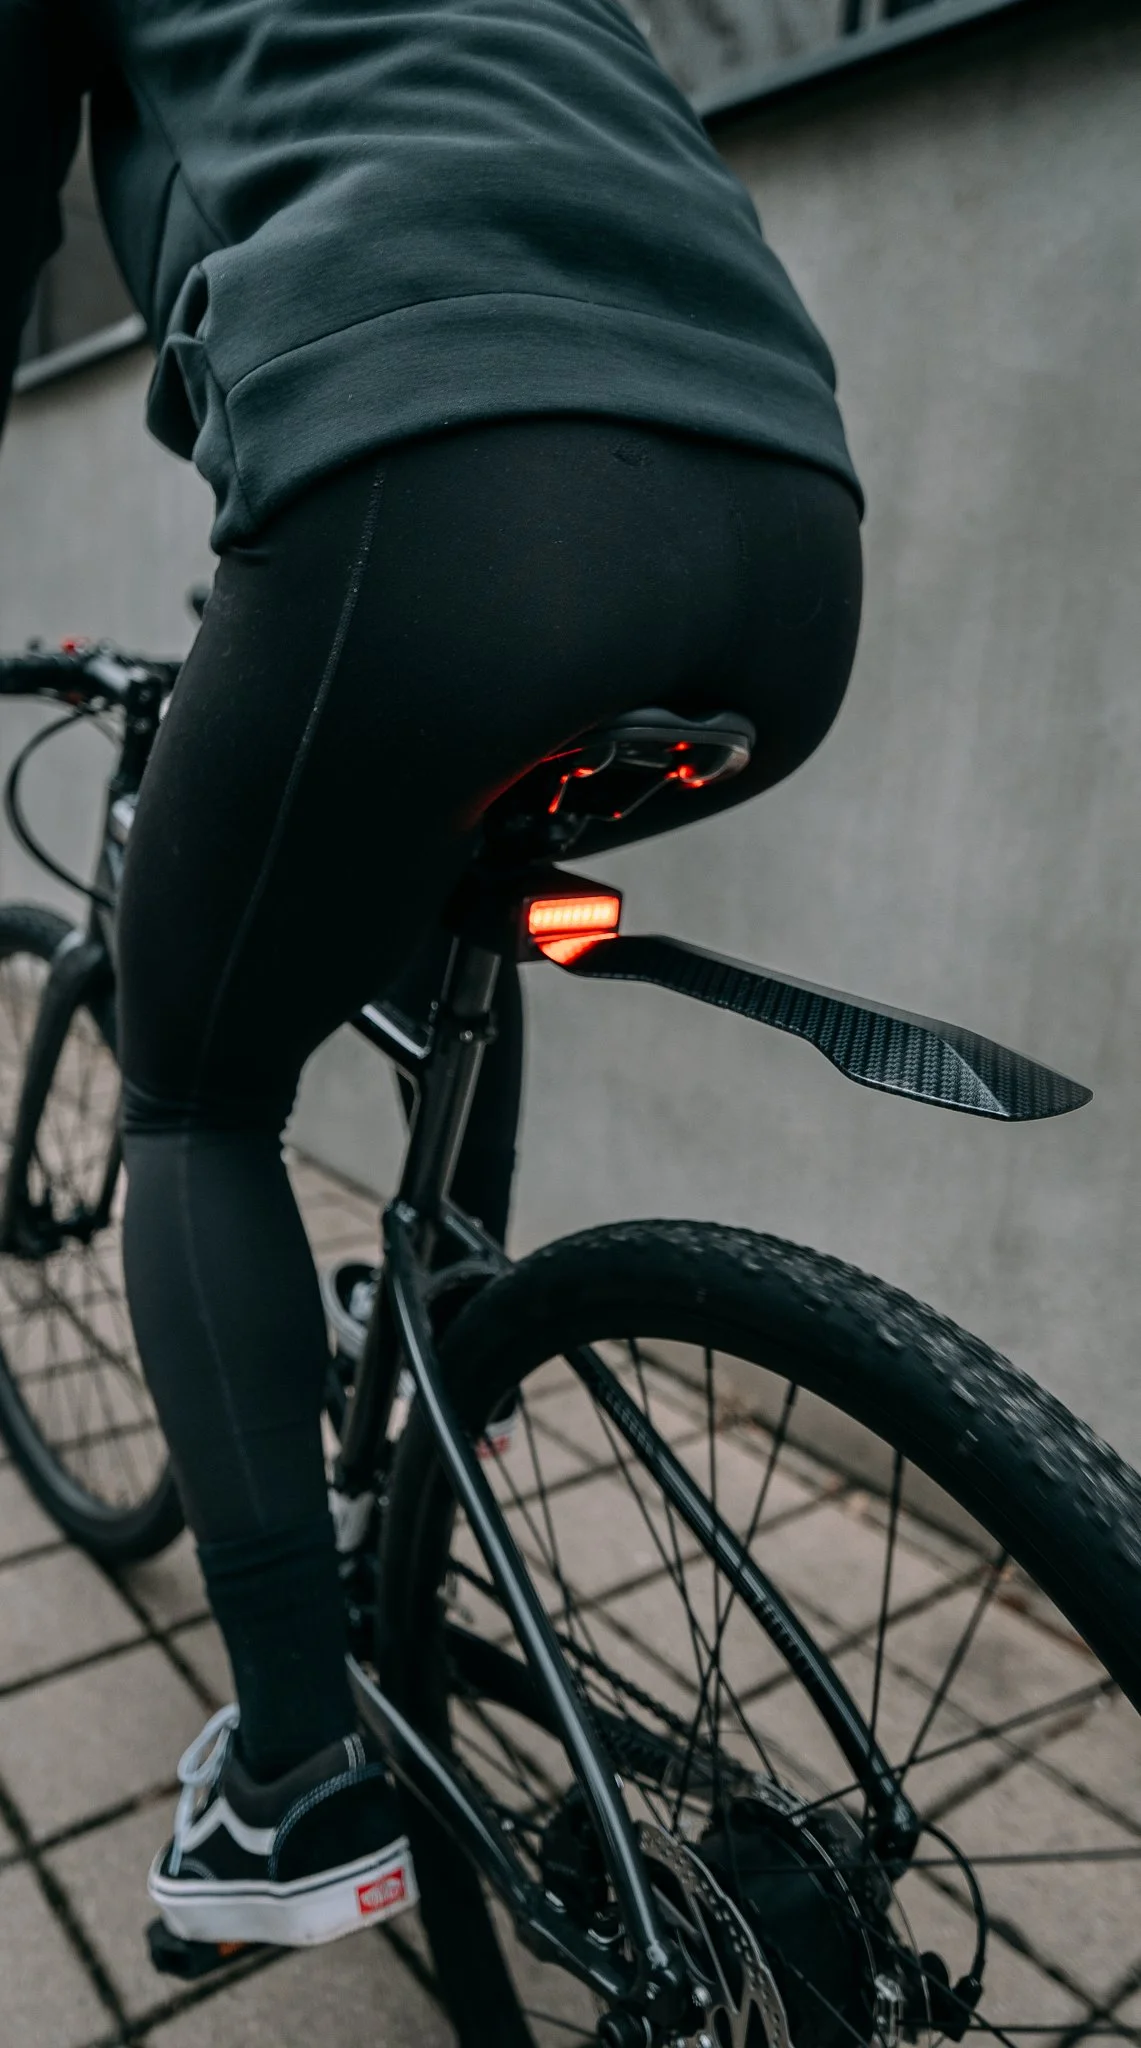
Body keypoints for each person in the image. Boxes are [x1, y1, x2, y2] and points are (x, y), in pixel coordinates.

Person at [1, 0, 863, 1951]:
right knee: (450, 873)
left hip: (442, 475)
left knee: (195, 1090)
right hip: (796, 531)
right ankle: (452, 1363)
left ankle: (296, 1788)